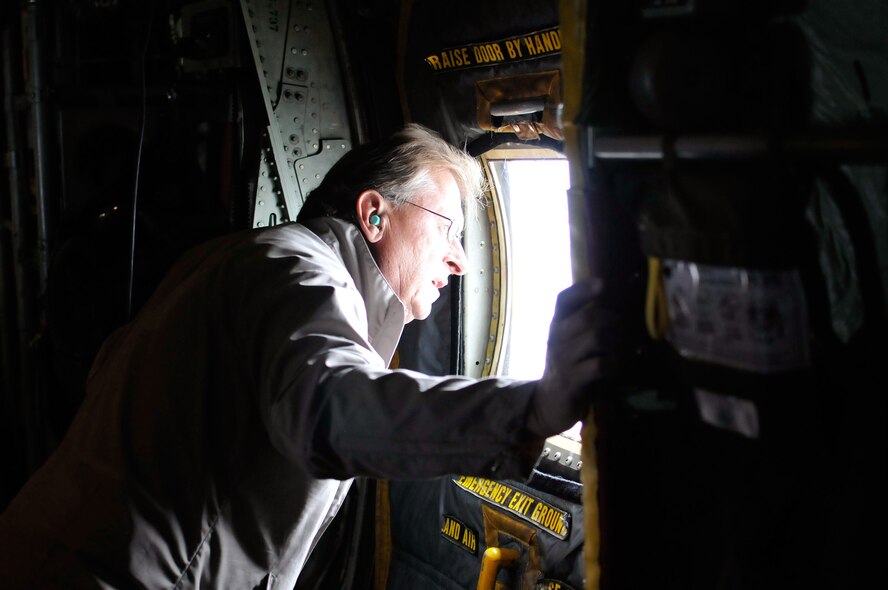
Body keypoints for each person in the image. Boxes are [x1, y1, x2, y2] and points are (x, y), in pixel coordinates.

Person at [0, 124, 624, 588]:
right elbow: (333, 413)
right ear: (374, 215)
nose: (460, 259)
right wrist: (535, 407)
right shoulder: (297, 274)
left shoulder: (249, 260)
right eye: (448, 229)